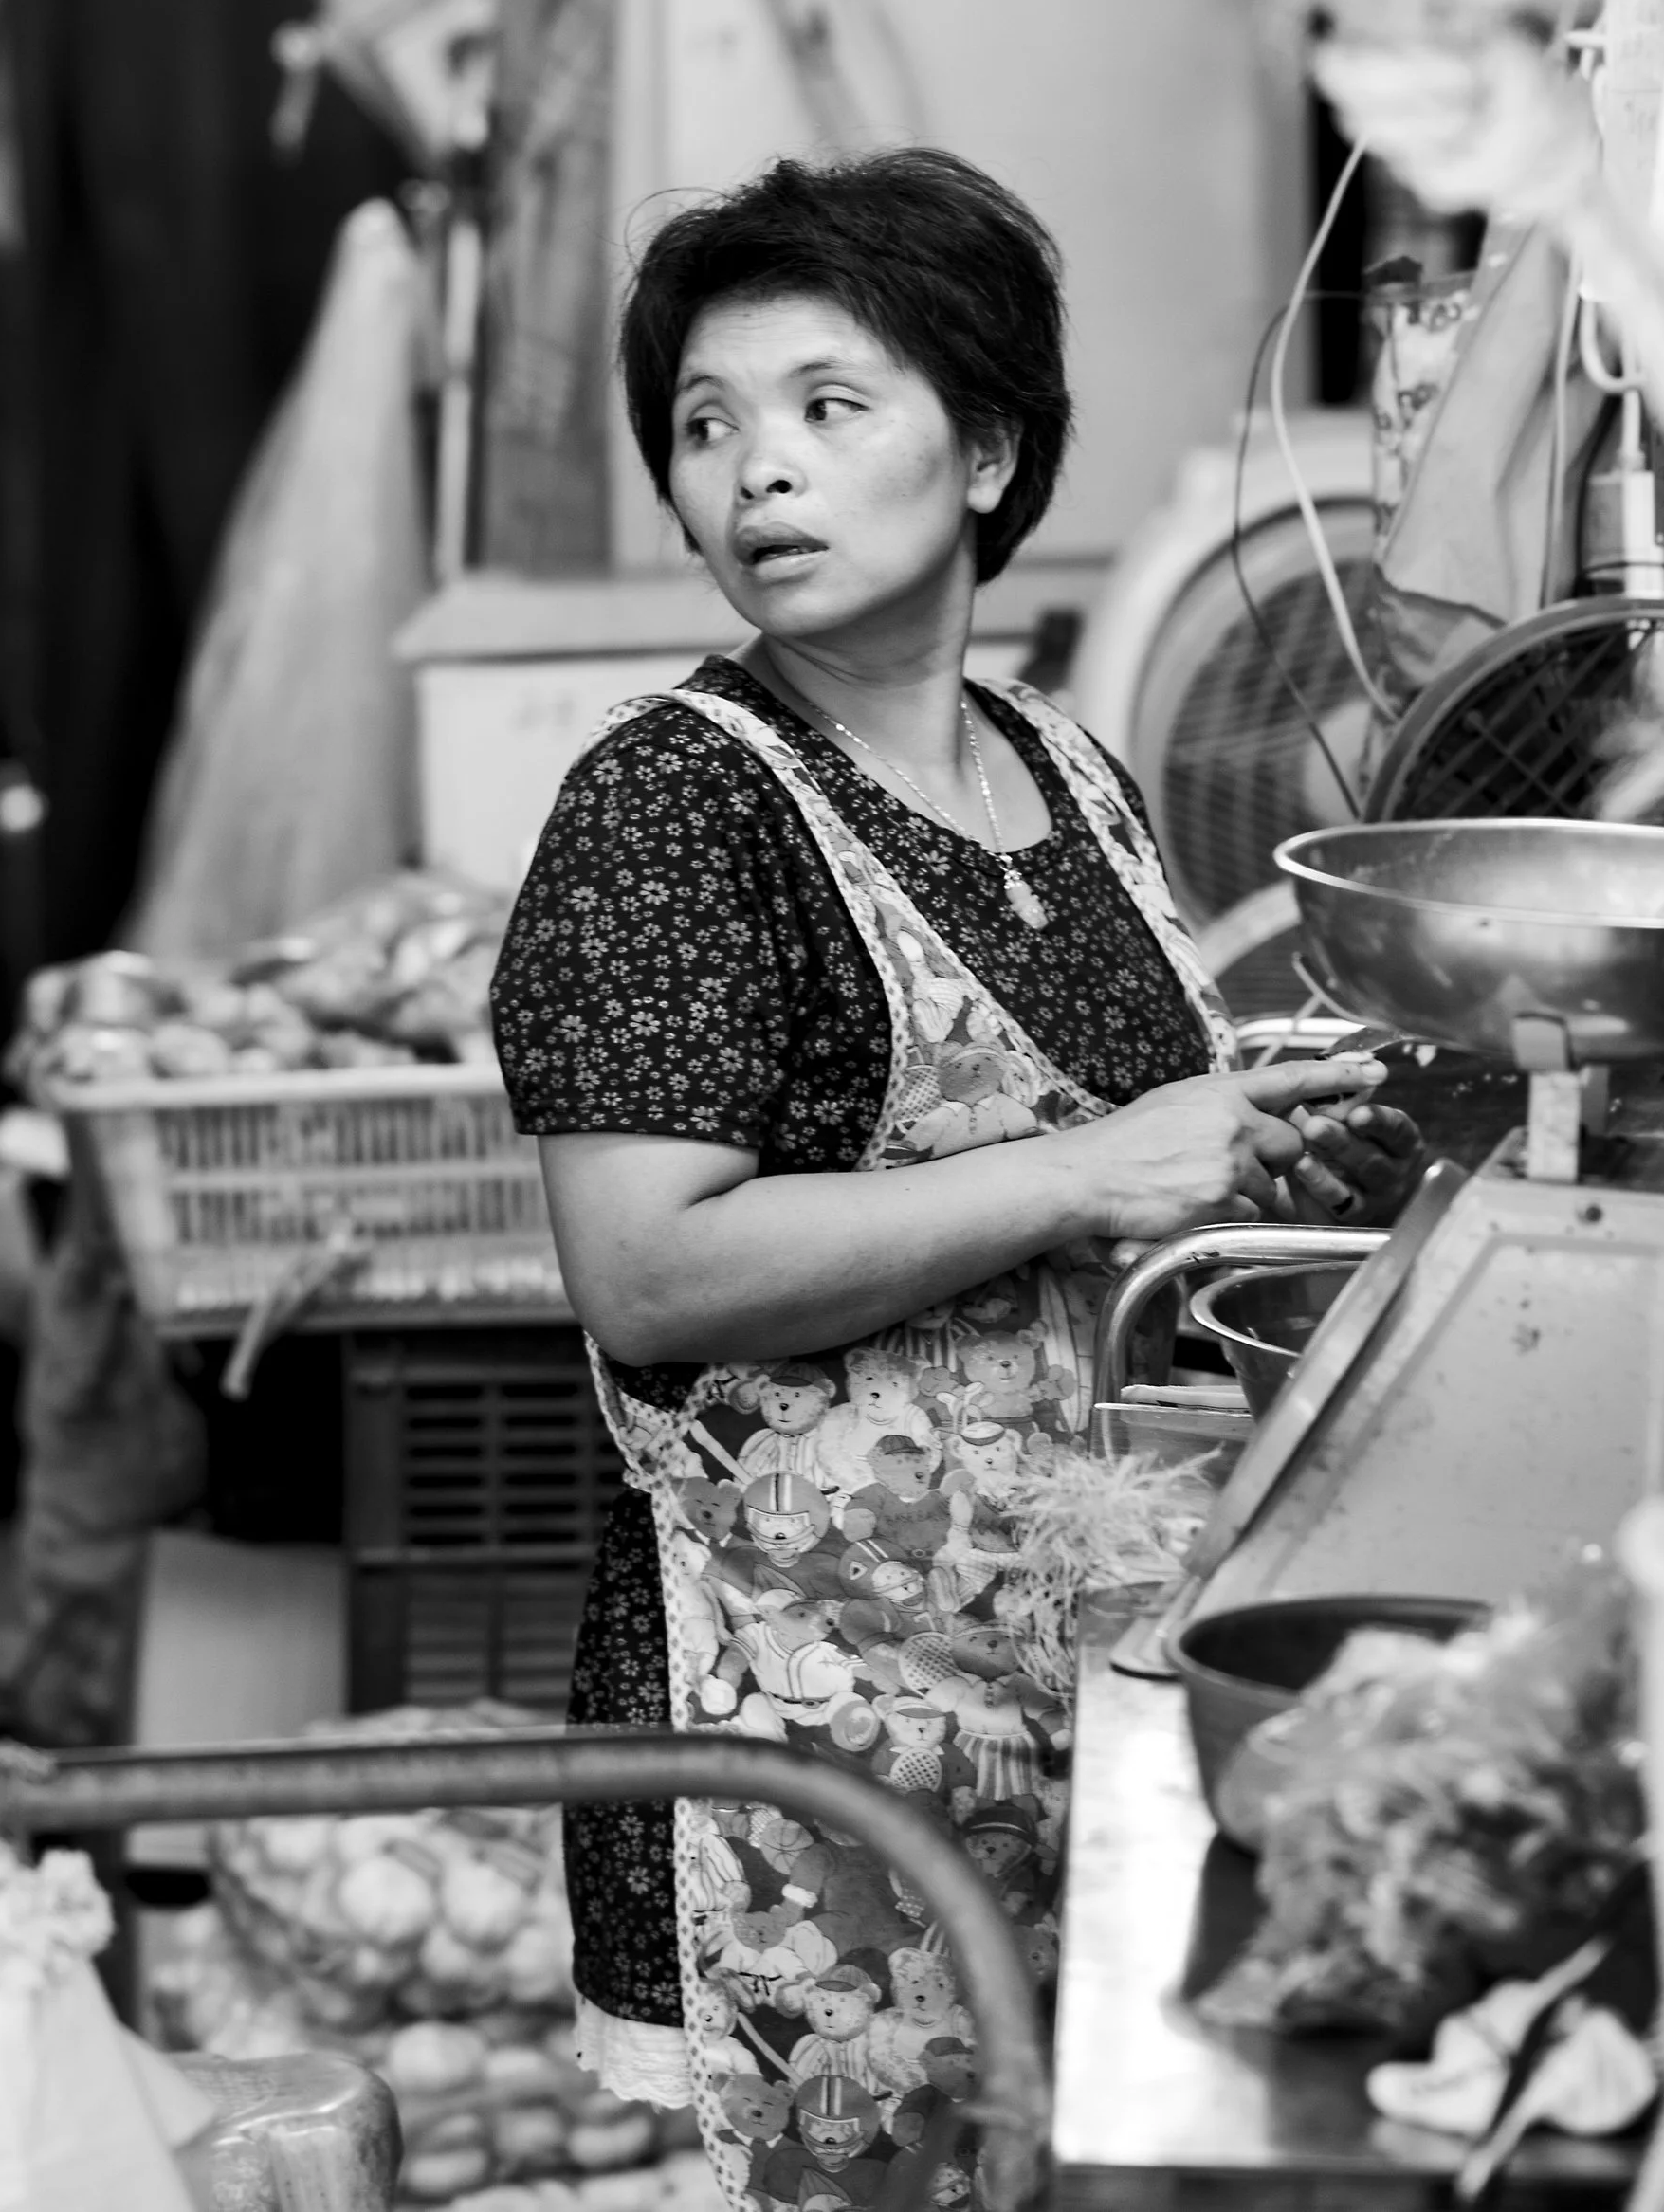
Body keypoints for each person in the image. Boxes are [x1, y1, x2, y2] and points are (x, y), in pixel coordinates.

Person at [489, 150, 1419, 2204]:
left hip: (1074, 1683)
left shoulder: (1060, 764)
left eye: (831, 408)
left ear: (985, 448)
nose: (757, 474)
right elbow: (646, 1274)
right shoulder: (668, 807)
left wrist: (1239, 1149)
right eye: (708, 424)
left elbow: (1111, 1154)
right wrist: (1091, 1169)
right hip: (809, 1768)